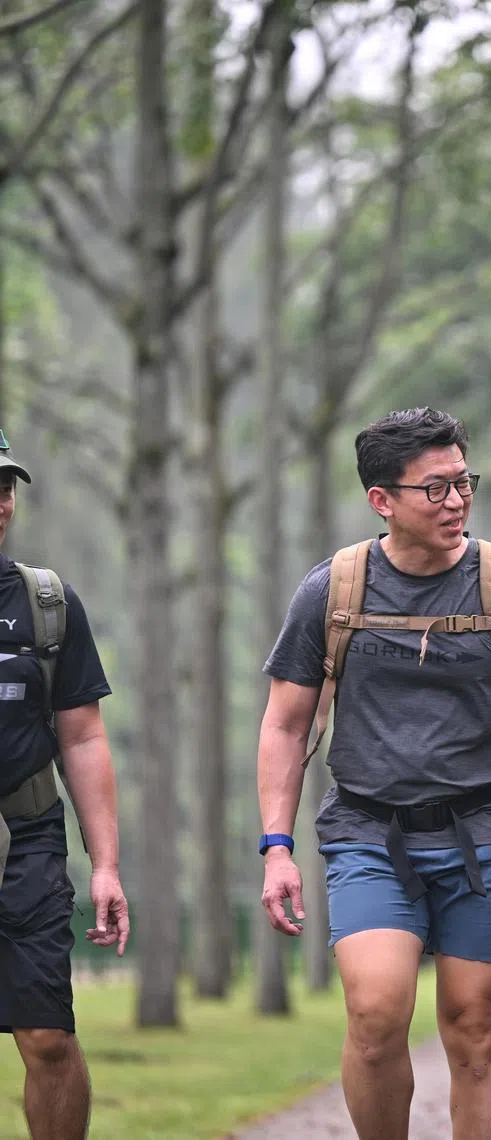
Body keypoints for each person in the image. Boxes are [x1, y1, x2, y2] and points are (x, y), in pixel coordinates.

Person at [257, 407, 491, 1140]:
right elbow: (284, 722)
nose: (456, 500)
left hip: (484, 826)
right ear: (382, 499)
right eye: (435, 488)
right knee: (375, 1016)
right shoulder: (333, 589)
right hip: (369, 829)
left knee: (474, 1028)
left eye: (464, 482)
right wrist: (276, 846)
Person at [0, 431, 130, 1140]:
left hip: (28, 845)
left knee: (48, 1039)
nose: (0, 503)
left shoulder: (46, 604)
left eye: (4, 488)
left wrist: (105, 864)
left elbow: (82, 738)